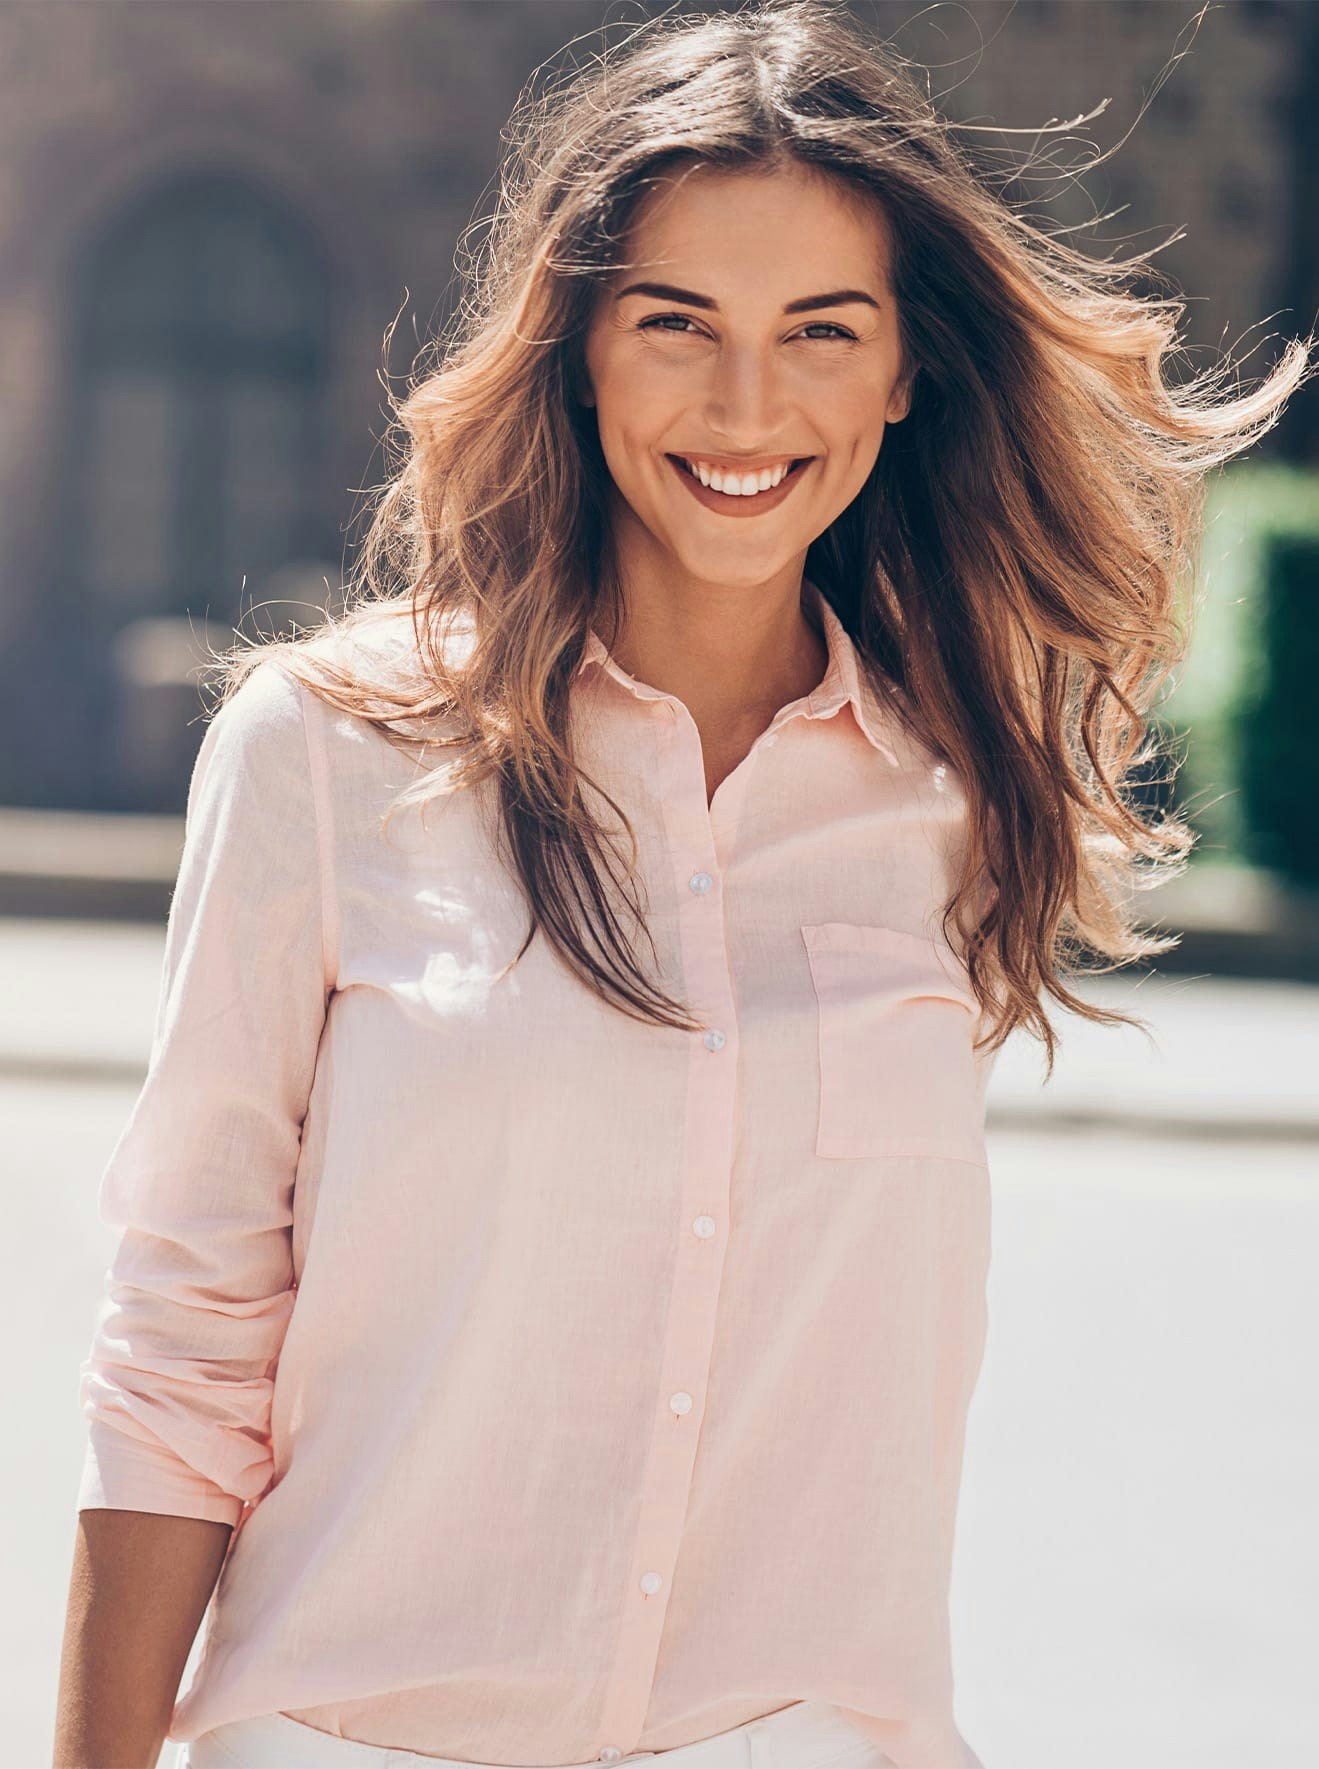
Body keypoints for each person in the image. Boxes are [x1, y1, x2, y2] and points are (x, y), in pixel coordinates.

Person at [53, 2, 1314, 1767]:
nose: (746, 404)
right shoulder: (324, 758)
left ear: (903, 370)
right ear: (575, 348)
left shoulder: (961, 803)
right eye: (676, 325)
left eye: (820, 330)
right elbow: (181, 1345)